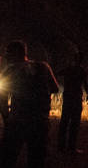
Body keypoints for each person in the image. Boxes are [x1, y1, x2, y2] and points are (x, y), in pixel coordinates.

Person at [0, 40, 60, 168]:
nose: (6, 56)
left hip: (18, 120)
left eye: (8, 53)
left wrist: (7, 119)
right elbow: (55, 88)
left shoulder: (11, 70)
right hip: (40, 120)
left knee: (8, 157)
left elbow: (2, 97)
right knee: (36, 159)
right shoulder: (43, 66)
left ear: (16, 53)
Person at [56, 51, 88, 153]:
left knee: (64, 121)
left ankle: (61, 146)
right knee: (74, 122)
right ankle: (71, 147)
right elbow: (85, 84)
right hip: (76, 97)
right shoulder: (81, 70)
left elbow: (58, 73)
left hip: (68, 97)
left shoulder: (69, 69)